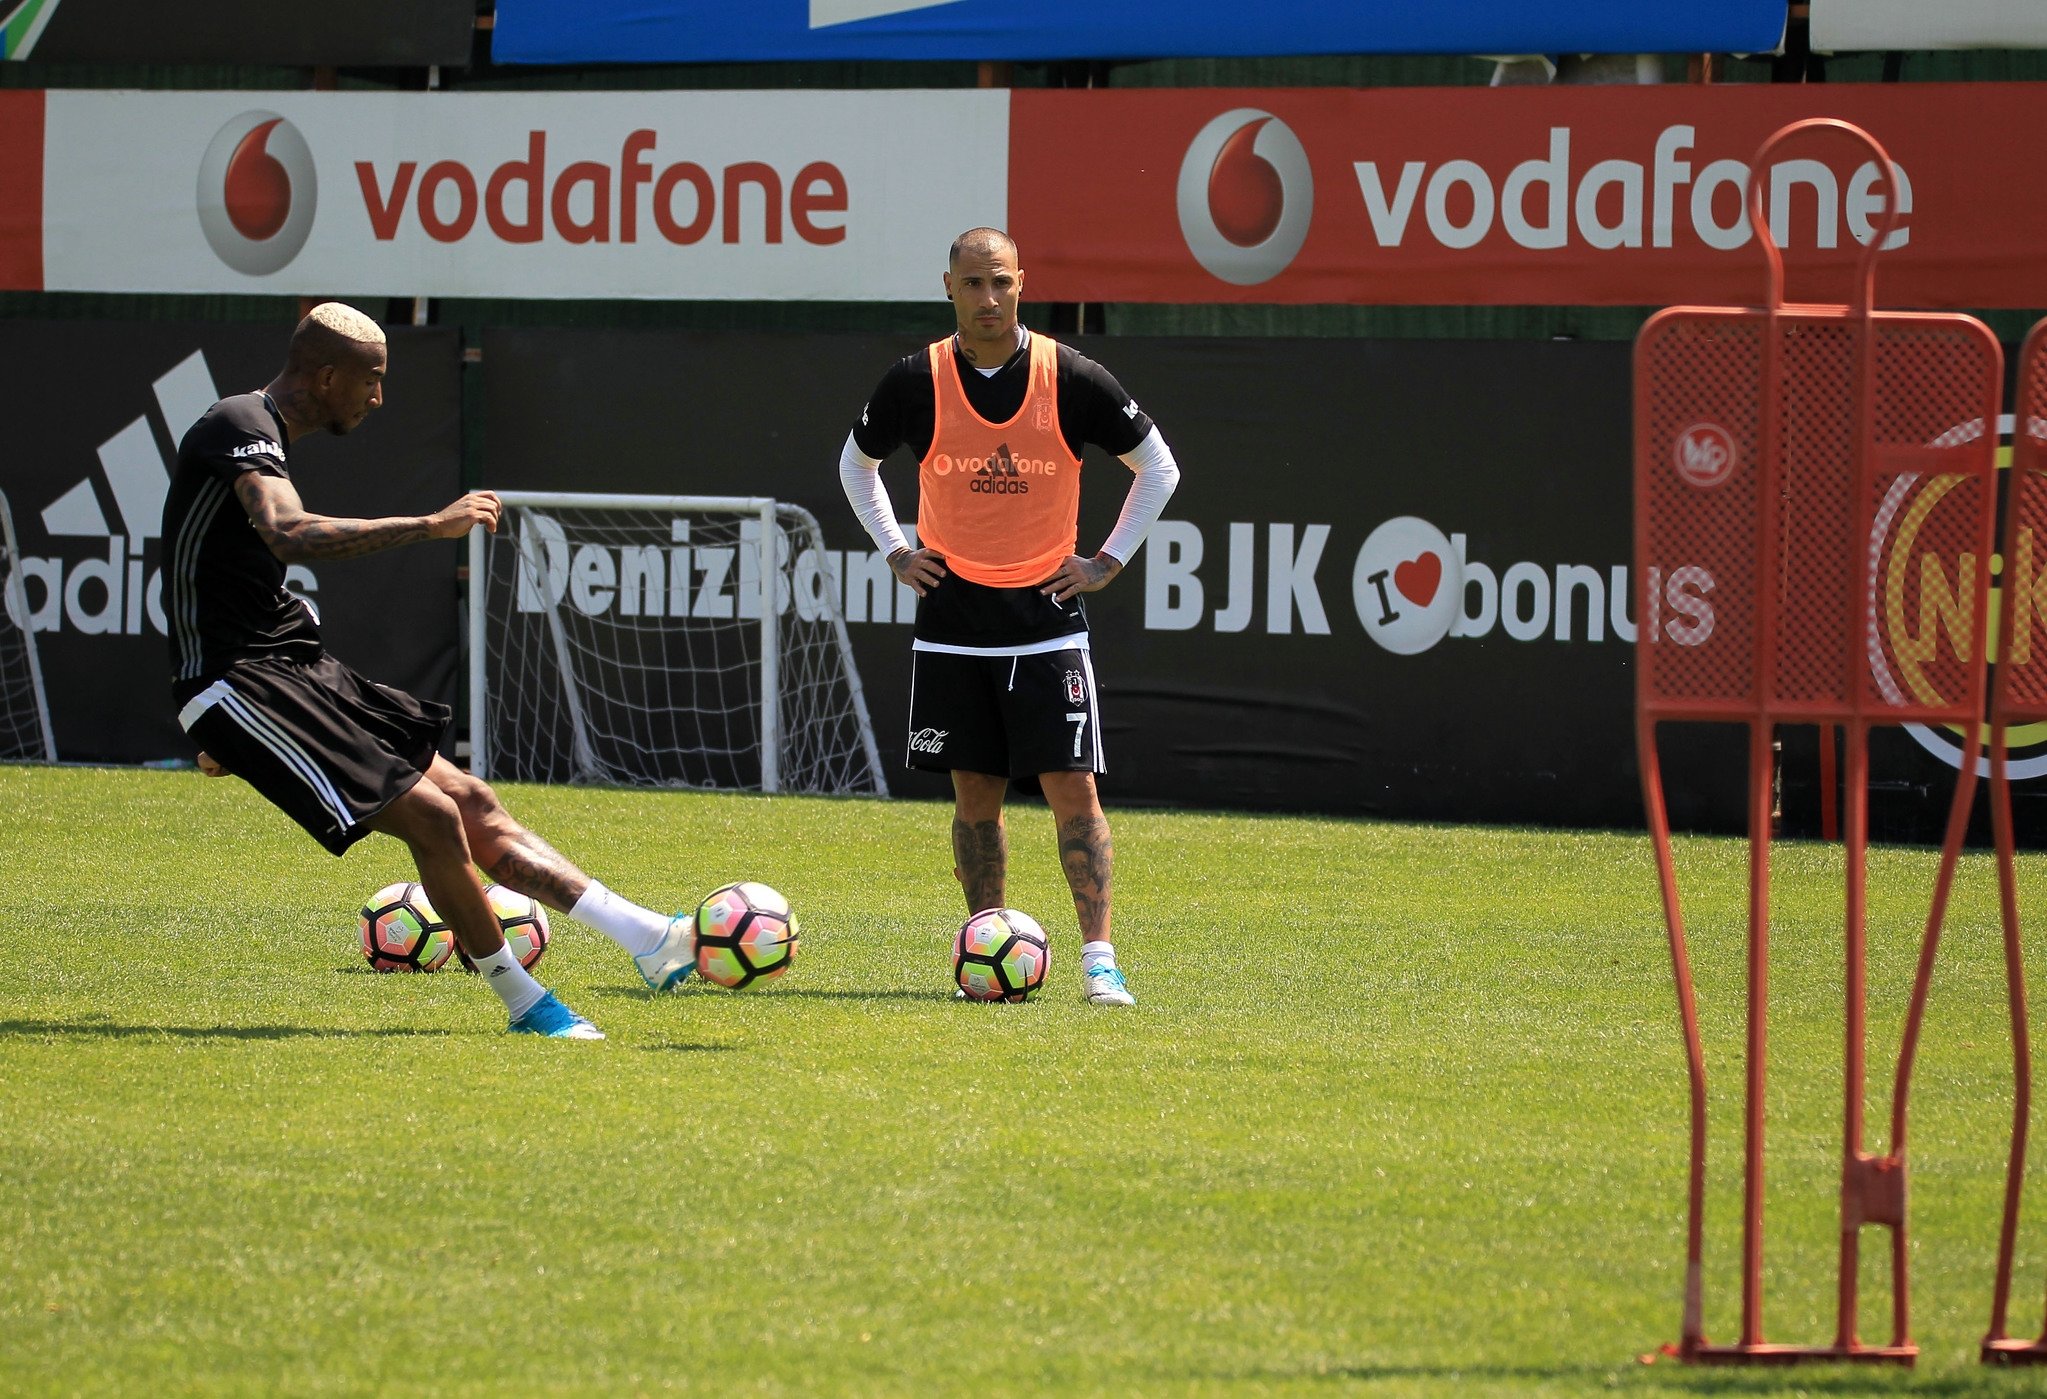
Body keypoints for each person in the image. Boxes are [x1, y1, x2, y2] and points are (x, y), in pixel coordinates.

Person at [162, 302, 697, 1040]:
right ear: (325, 376)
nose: (378, 398)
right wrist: (428, 526)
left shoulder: (263, 435)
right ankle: (529, 1006)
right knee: (433, 817)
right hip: (237, 679)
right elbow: (288, 533)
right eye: (370, 381)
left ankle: (649, 937)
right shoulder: (239, 425)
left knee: (469, 798)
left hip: (291, 664)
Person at [838, 228, 1181, 1006]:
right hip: (953, 621)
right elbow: (854, 465)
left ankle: (1100, 961)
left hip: (1047, 620)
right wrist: (896, 550)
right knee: (974, 800)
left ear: (1021, 282)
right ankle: (986, 945)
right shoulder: (914, 379)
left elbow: (1158, 467)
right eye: (971, 284)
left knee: (1073, 790)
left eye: (1000, 282)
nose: (987, 299)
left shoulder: (1071, 375)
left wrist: (1107, 562)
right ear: (948, 287)